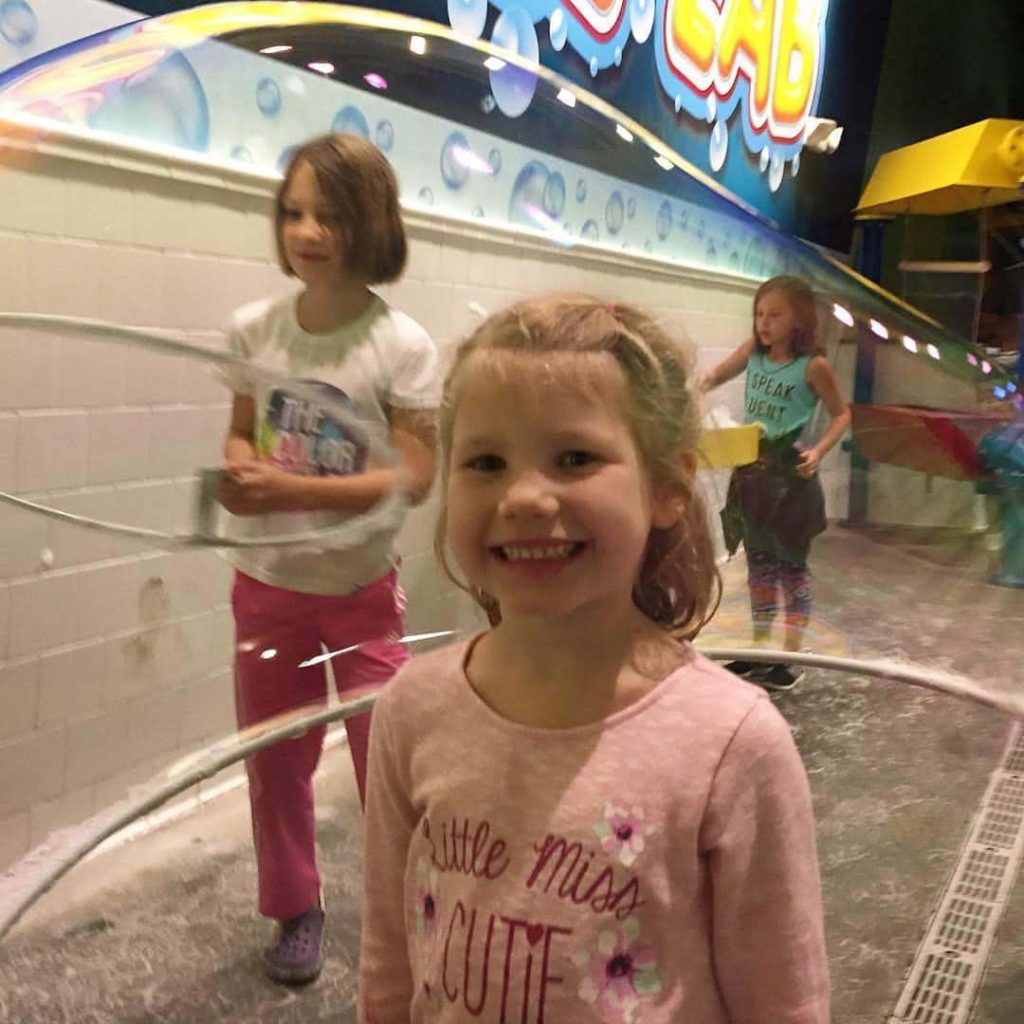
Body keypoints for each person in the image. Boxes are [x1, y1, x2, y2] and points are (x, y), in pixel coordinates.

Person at [359, 294, 829, 1022]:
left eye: (574, 458)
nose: (523, 497)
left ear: (668, 487)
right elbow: (391, 965)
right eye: (485, 461)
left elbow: (784, 1003)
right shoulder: (411, 711)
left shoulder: (732, 748)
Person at [217, 133, 439, 984]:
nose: (306, 230)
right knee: (276, 765)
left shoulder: (402, 344)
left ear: (369, 221)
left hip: (360, 595)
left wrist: (298, 493)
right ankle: (295, 906)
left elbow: (415, 477)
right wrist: (242, 468)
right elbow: (241, 430)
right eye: (293, 212)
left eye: (329, 214)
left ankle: (413, 904)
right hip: (266, 592)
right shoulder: (252, 329)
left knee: (389, 759)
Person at [701, 275, 850, 691]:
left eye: (775, 314)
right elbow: (714, 375)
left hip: (792, 477)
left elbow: (842, 414)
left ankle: (788, 655)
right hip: (753, 474)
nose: (764, 323)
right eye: (759, 314)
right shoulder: (754, 354)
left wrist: (818, 452)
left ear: (799, 319)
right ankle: (760, 650)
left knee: (792, 568)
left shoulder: (813, 366)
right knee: (760, 566)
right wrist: (690, 387)